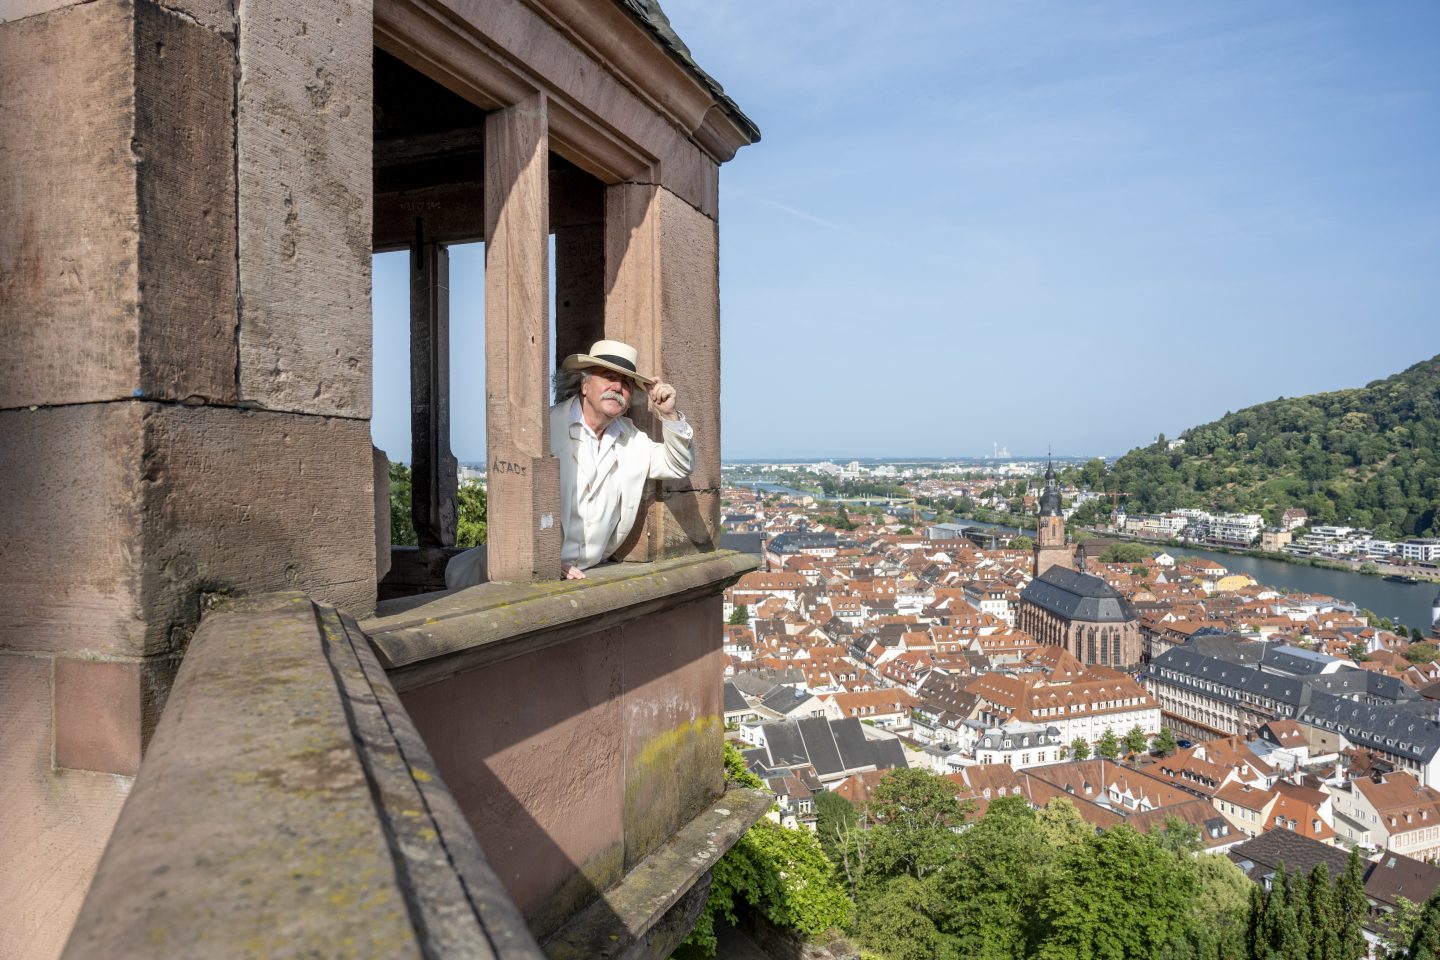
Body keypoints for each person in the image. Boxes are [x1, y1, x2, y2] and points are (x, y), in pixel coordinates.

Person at [444, 339, 693, 588]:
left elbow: (679, 465)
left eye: (626, 383)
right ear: (585, 384)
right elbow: (511, 504)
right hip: (503, 579)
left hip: (580, 576)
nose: (617, 387)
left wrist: (669, 414)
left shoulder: (634, 440)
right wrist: (545, 560)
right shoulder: (544, 429)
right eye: (608, 376)